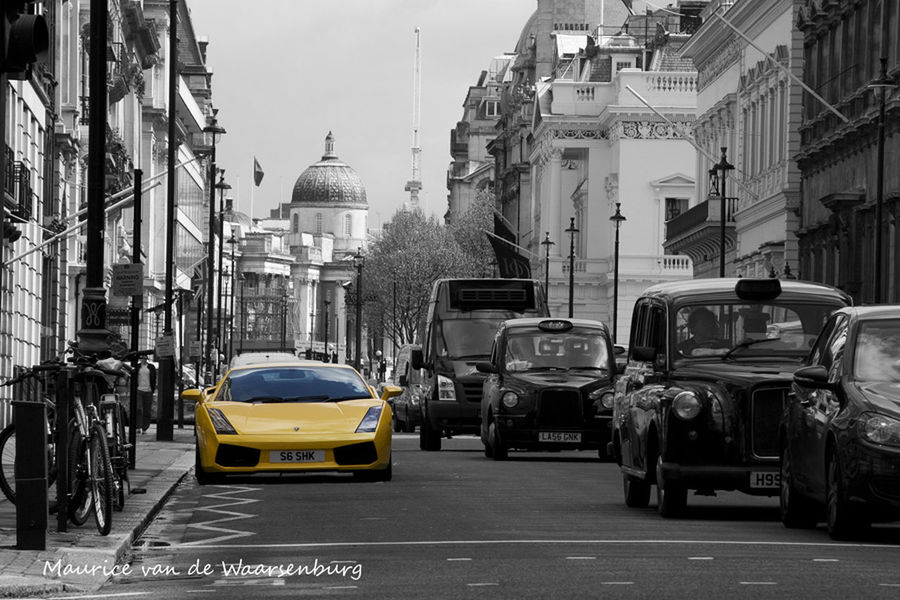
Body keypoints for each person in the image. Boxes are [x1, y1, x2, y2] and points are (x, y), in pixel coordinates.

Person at [136, 356, 157, 434]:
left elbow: (154, 378)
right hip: (139, 390)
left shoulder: (151, 367)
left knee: (147, 410)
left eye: (145, 358)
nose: (144, 360)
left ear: (147, 359)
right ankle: (138, 427)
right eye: (142, 358)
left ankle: (145, 427)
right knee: (139, 409)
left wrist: (153, 389)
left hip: (148, 390)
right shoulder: (137, 366)